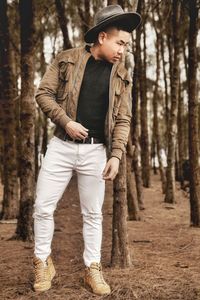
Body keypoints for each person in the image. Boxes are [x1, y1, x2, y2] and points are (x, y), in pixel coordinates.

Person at [33, 4, 141, 296]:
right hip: (60, 146)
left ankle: (92, 268)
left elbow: (123, 118)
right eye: (121, 43)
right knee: (42, 207)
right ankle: (42, 261)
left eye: (127, 45)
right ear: (103, 37)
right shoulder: (66, 59)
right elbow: (43, 93)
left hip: (96, 152)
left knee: (93, 214)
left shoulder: (122, 75)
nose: (124, 50)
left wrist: (116, 155)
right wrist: (66, 122)